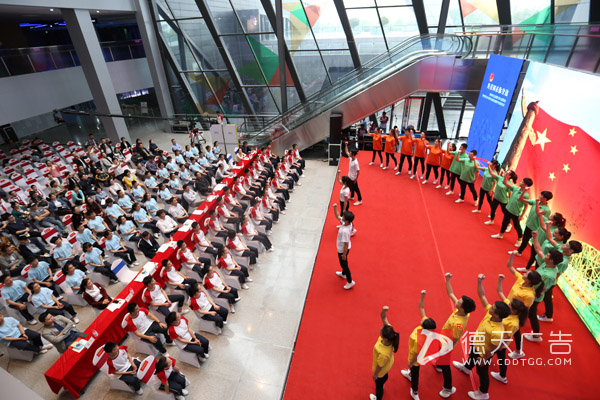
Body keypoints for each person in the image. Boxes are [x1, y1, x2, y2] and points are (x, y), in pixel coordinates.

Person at [453, 275, 511, 400]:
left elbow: (493, 347)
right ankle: (467, 368)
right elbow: (482, 296)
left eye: (493, 308)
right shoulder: (491, 315)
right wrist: (479, 282)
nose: (490, 307)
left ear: (497, 315)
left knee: (482, 372)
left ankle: (483, 392)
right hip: (476, 343)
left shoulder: (497, 331)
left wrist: (484, 358)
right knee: (471, 356)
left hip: (483, 352)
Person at [433, 273, 476, 398]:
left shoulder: (459, 324)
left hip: (447, 344)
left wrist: (445, 348)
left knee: (446, 366)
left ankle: (448, 388)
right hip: (443, 338)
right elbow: (450, 293)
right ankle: (439, 365)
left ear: (462, 308)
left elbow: (455, 338)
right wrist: (448, 280)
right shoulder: (462, 312)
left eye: (460, 302)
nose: (458, 301)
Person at [535, 222, 582, 322]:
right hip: (547, 277)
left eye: (567, 245)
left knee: (546, 297)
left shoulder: (564, 262)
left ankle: (548, 316)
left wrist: (547, 285)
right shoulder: (561, 250)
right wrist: (548, 226)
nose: (564, 244)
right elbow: (550, 239)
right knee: (546, 297)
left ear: (571, 251)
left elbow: (557, 274)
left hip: (549, 281)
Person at [522, 233, 563, 343]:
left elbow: (543, 289)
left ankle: (536, 335)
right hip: (530, 291)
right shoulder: (547, 264)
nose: (546, 255)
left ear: (552, 260)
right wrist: (535, 237)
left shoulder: (550, 275)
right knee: (528, 311)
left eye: (548, 255)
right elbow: (538, 250)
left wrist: (530, 294)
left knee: (532, 314)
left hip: (534, 296)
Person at [502, 253, 543, 359]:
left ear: (529, 280)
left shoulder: (529, 295)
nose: (524, 273)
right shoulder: (521, 280)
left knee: (515, 332)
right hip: (508, 307)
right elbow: (510, 266)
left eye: (527, 274)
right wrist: (512, 255)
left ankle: (518, 351)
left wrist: (517, 318)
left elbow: (526, 308)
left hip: (515, 313)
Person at [400, 290, 436, 400]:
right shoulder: (427, 330)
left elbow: (417, 354)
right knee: (413, 370)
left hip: (416, 358)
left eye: (423, 322)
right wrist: (423, 296)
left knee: (416, 372)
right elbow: (421, 307)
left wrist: (411, 362)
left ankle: (414, 391)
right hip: (415, 352)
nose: (422, 320)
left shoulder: (421, 340)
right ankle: (410, 374)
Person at [493, 275, 528, 384]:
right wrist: (499, 280)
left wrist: (500, 346)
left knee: (501, 358)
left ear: (514, 310)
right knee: (498, 357)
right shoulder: (509, 312)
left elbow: (508, 336)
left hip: (500, 342)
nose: (507, 304)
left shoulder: (513, 323)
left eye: (510, 305)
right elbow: (500, 292)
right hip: (497, 339)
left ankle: (503, 376)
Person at [491, 175, 533, 246]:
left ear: (526, 185)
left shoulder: (526, 195)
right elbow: (505, 183)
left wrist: (522, 216)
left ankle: (519, 239)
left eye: (522, 182)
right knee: (504, 222)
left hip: (515, 213)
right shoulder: (516, 188)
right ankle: (500, 234)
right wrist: (507, 175)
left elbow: (526, 206)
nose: (520, 182)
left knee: (516, 226)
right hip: (508, 209)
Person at [370, 306, 399, 400]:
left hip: (380, 371)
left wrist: (375, 375)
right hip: (387, 365)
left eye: (381, 330)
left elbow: (379, 366)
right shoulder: (390, 333)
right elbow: (384, 317)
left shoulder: (383, 353)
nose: (381, 328)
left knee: (379, 387)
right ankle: (382, 382)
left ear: (385, 338)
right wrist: (383, 311)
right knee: (385, 376)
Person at [513, 191, 553, 257]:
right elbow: (521, 199)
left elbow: (541, 218)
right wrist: (524, 191)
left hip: (536, 228)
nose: (539, 195)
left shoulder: (547, 210)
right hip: (529, 225)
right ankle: (519, 252)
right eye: (540, 194)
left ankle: (534, 258)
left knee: (534, 245)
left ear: (545, 199)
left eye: (541, 195)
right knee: (525, 240)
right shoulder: (535, 202)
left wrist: (537, 202)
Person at [332, 203, 355, 290]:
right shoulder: (347, 223)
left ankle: (350, 281)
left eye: (344, 217)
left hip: (342, 250)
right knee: (343, 264)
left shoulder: (345, 231)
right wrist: (335, 208)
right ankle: (343, 273)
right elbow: (338, 216)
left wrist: (344, 255)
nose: (342, 217)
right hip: (342, 248)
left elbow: (346, 244)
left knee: (344, 264)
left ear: (347, 220)